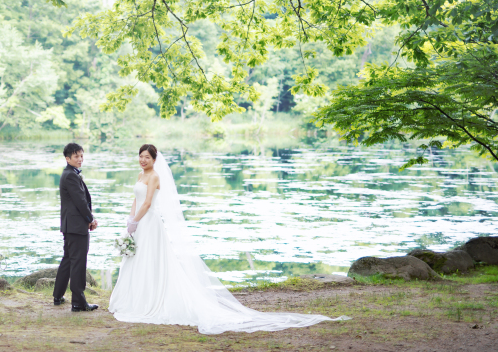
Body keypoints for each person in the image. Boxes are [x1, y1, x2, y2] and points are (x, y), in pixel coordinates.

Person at [108, 144, 349, 334]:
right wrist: (130, 222)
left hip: (149, 223)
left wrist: (137, 220)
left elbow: (149, 202)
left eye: (147, 157)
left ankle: (153, 300)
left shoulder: (155, 177)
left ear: (154, 159)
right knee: (137, 260)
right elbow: (136, 201)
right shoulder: (140, 175)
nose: (142, 160)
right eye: (140, 156)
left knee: (153, 261)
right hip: (138, 224)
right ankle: (136, 298)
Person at [53, 143, 99, 312]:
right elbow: (80, 201)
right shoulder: (70, 176)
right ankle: (78, 303)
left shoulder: (68, 173)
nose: (80, 159)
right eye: (76, 156)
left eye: (81, 156)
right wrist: (90, 219)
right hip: (76, 226)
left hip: (70, 225)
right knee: (78, 263)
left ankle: (58, 295)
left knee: (68, 260)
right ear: (67, 159)